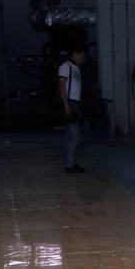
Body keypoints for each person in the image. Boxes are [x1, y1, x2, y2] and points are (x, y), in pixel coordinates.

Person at [58, 44, 87, 174]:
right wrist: (66, 105)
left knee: (69, 135)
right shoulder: (66, 67)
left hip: (74, 103)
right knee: (75, 136)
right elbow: (61, 86)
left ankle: (70, 162)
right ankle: (70, 164)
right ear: (75, 53)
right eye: (82, 57)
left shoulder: (75, 67)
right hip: (70, 103)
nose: (83, 59)